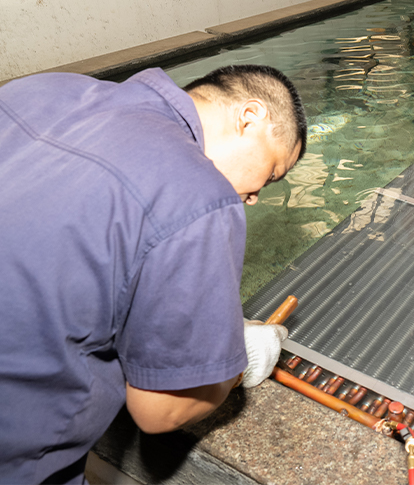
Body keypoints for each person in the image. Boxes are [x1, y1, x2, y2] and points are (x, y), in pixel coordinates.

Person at [0, 64, 307, 483]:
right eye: (271, 174)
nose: (254, 198)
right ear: (249, 118)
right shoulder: (202, 196)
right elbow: (160, 410)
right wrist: (237, 361)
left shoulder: (39, 88)